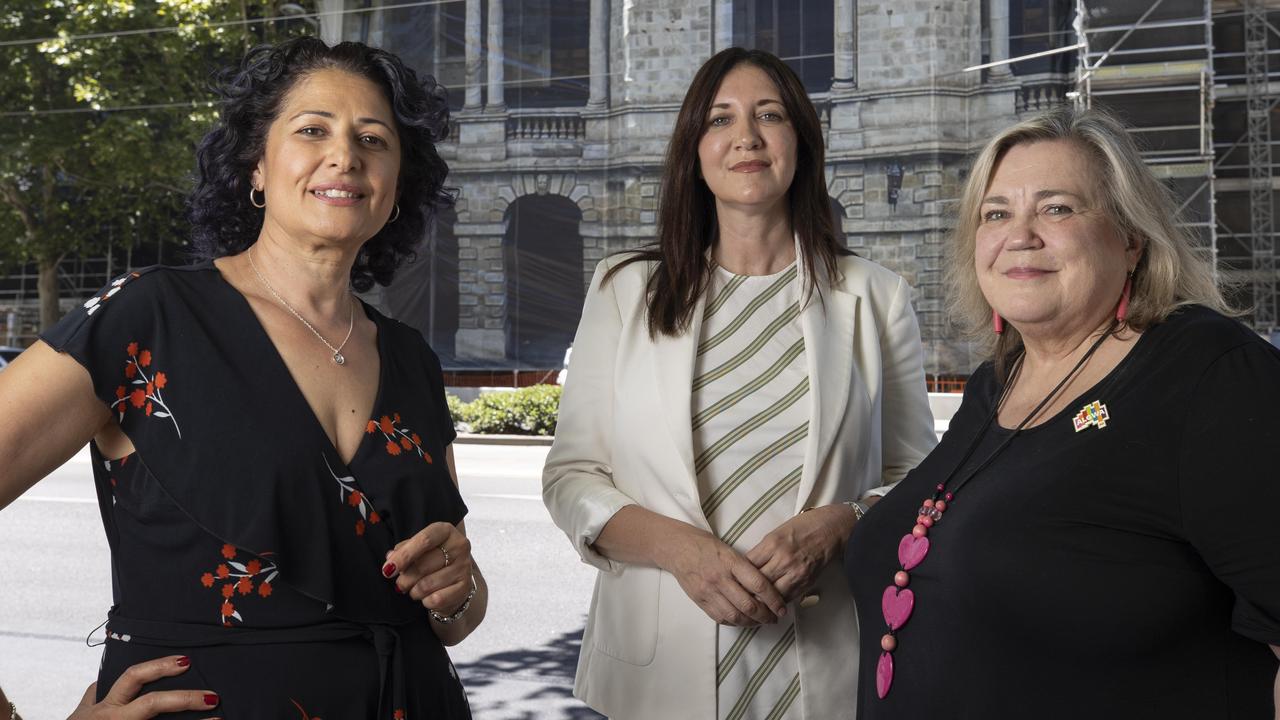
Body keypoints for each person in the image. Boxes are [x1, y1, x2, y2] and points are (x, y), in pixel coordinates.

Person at [0, 37, 485, 718]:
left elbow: (452, 613)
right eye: (313, 129)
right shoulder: (149, 317)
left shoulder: (411, 359)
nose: (345, 155)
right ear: (255, 167)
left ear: (396, 186)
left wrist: (460, 588)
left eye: (373, 139)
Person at [845, 106, 1280, 718]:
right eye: (996, 214)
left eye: (1057, 208)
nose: (1019, 235)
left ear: (1131, 240)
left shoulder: (1206, 372)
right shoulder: (995, 386)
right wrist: (851, 519)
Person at [542, 47, 937, 719]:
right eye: (721, 118)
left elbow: (921, 477)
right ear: (694, 149)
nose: (747, 136)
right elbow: (572, 475)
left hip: (829, 665)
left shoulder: (877, 296)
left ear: (801, 143)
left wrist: (842, 524)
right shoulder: (624, 289)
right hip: (656, 672)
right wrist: (682, 552)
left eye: (770, 115)